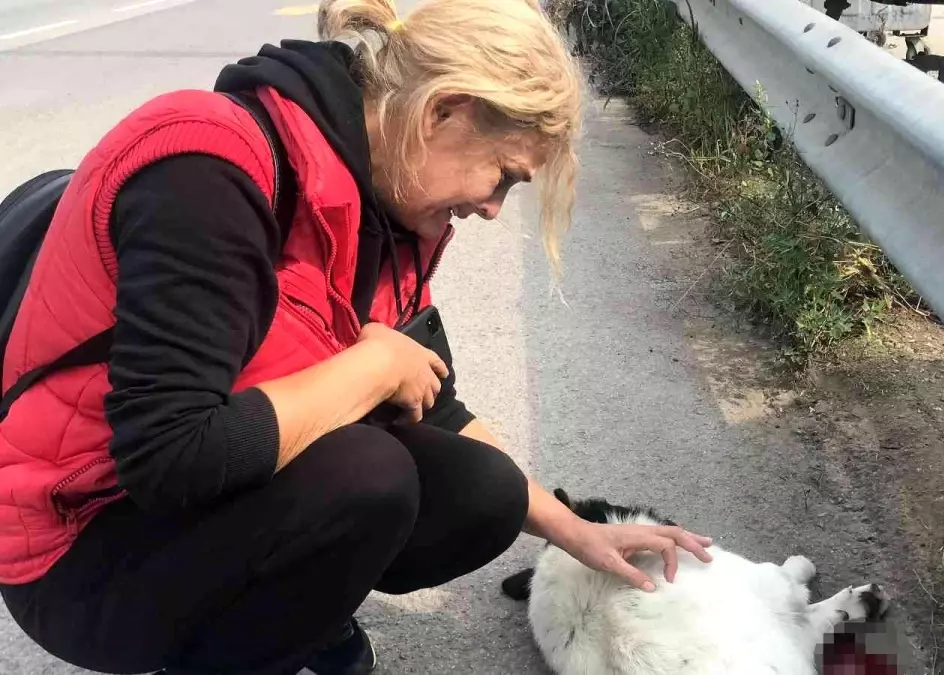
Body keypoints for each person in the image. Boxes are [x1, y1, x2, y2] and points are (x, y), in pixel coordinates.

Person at [0, 0, 713, 673]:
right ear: (444, 111)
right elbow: (170, 457)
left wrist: (578, 530)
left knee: (483, 490)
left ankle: (297, 604)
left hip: (194, 505)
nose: (494, 210)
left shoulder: (397, 217)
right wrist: (372, 365)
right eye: (504, 176)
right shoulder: (208, 171)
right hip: (77, 551)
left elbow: (437, 407)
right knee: (369, 477)